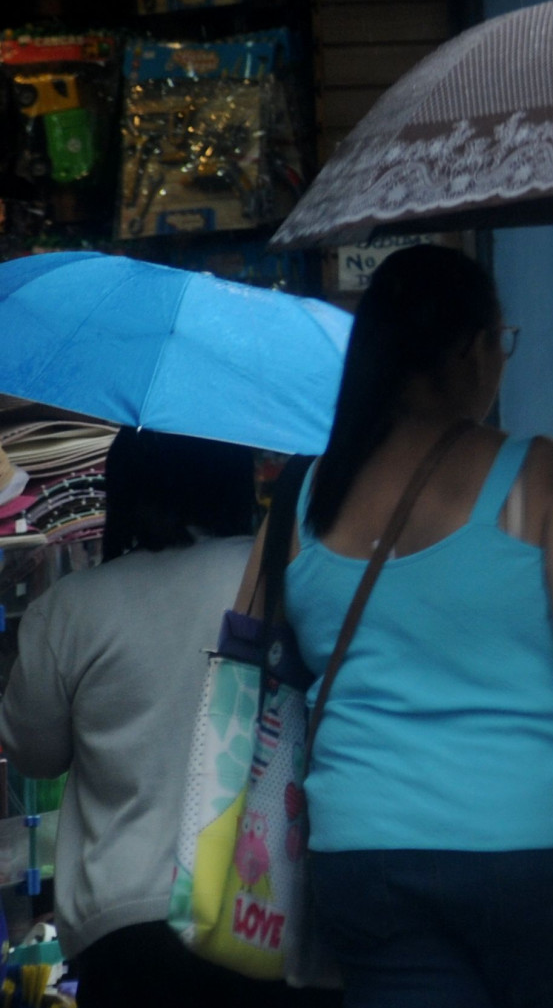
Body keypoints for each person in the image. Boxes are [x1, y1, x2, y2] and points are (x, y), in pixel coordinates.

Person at [256, 246, 553, 1008]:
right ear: (471, 350)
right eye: (503, 340)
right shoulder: (536, 475)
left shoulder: (304, 497)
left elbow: (255, 651)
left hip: (368, 850)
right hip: (546, 850)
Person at [0, 429, 336, 1008]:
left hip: (126, 925)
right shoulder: (281, 582)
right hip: (263, 907)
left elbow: (34, 753)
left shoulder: (71, 607)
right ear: (233, 478)